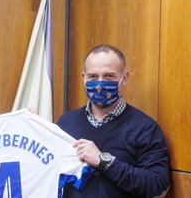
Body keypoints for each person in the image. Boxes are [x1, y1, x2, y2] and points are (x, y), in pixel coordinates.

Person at [57, 44, 169, 198]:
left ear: (124, 78)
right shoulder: (66, 123)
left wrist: (104, 161)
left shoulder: (145, 128)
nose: (99, 84)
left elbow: (157, 183)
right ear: (84, 78)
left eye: (109, 76)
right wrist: (34, 127)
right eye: (93, 77)